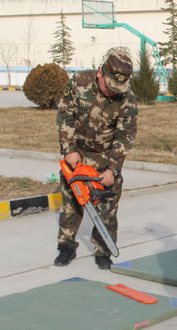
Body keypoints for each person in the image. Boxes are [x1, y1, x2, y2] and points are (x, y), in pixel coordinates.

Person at [54, 48, 138, 270]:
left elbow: (125, 136)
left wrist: (113, 169)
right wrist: (69, 149)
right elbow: (64, 115)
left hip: (106, 156)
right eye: (109, 86)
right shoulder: (79, 82)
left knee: (107, 209)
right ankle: (66, 247)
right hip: (77, 154)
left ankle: (103, 250)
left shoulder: (128, 100)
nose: (112, 92)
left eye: (117, 88)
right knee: (71, 204)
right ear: (101, 73)